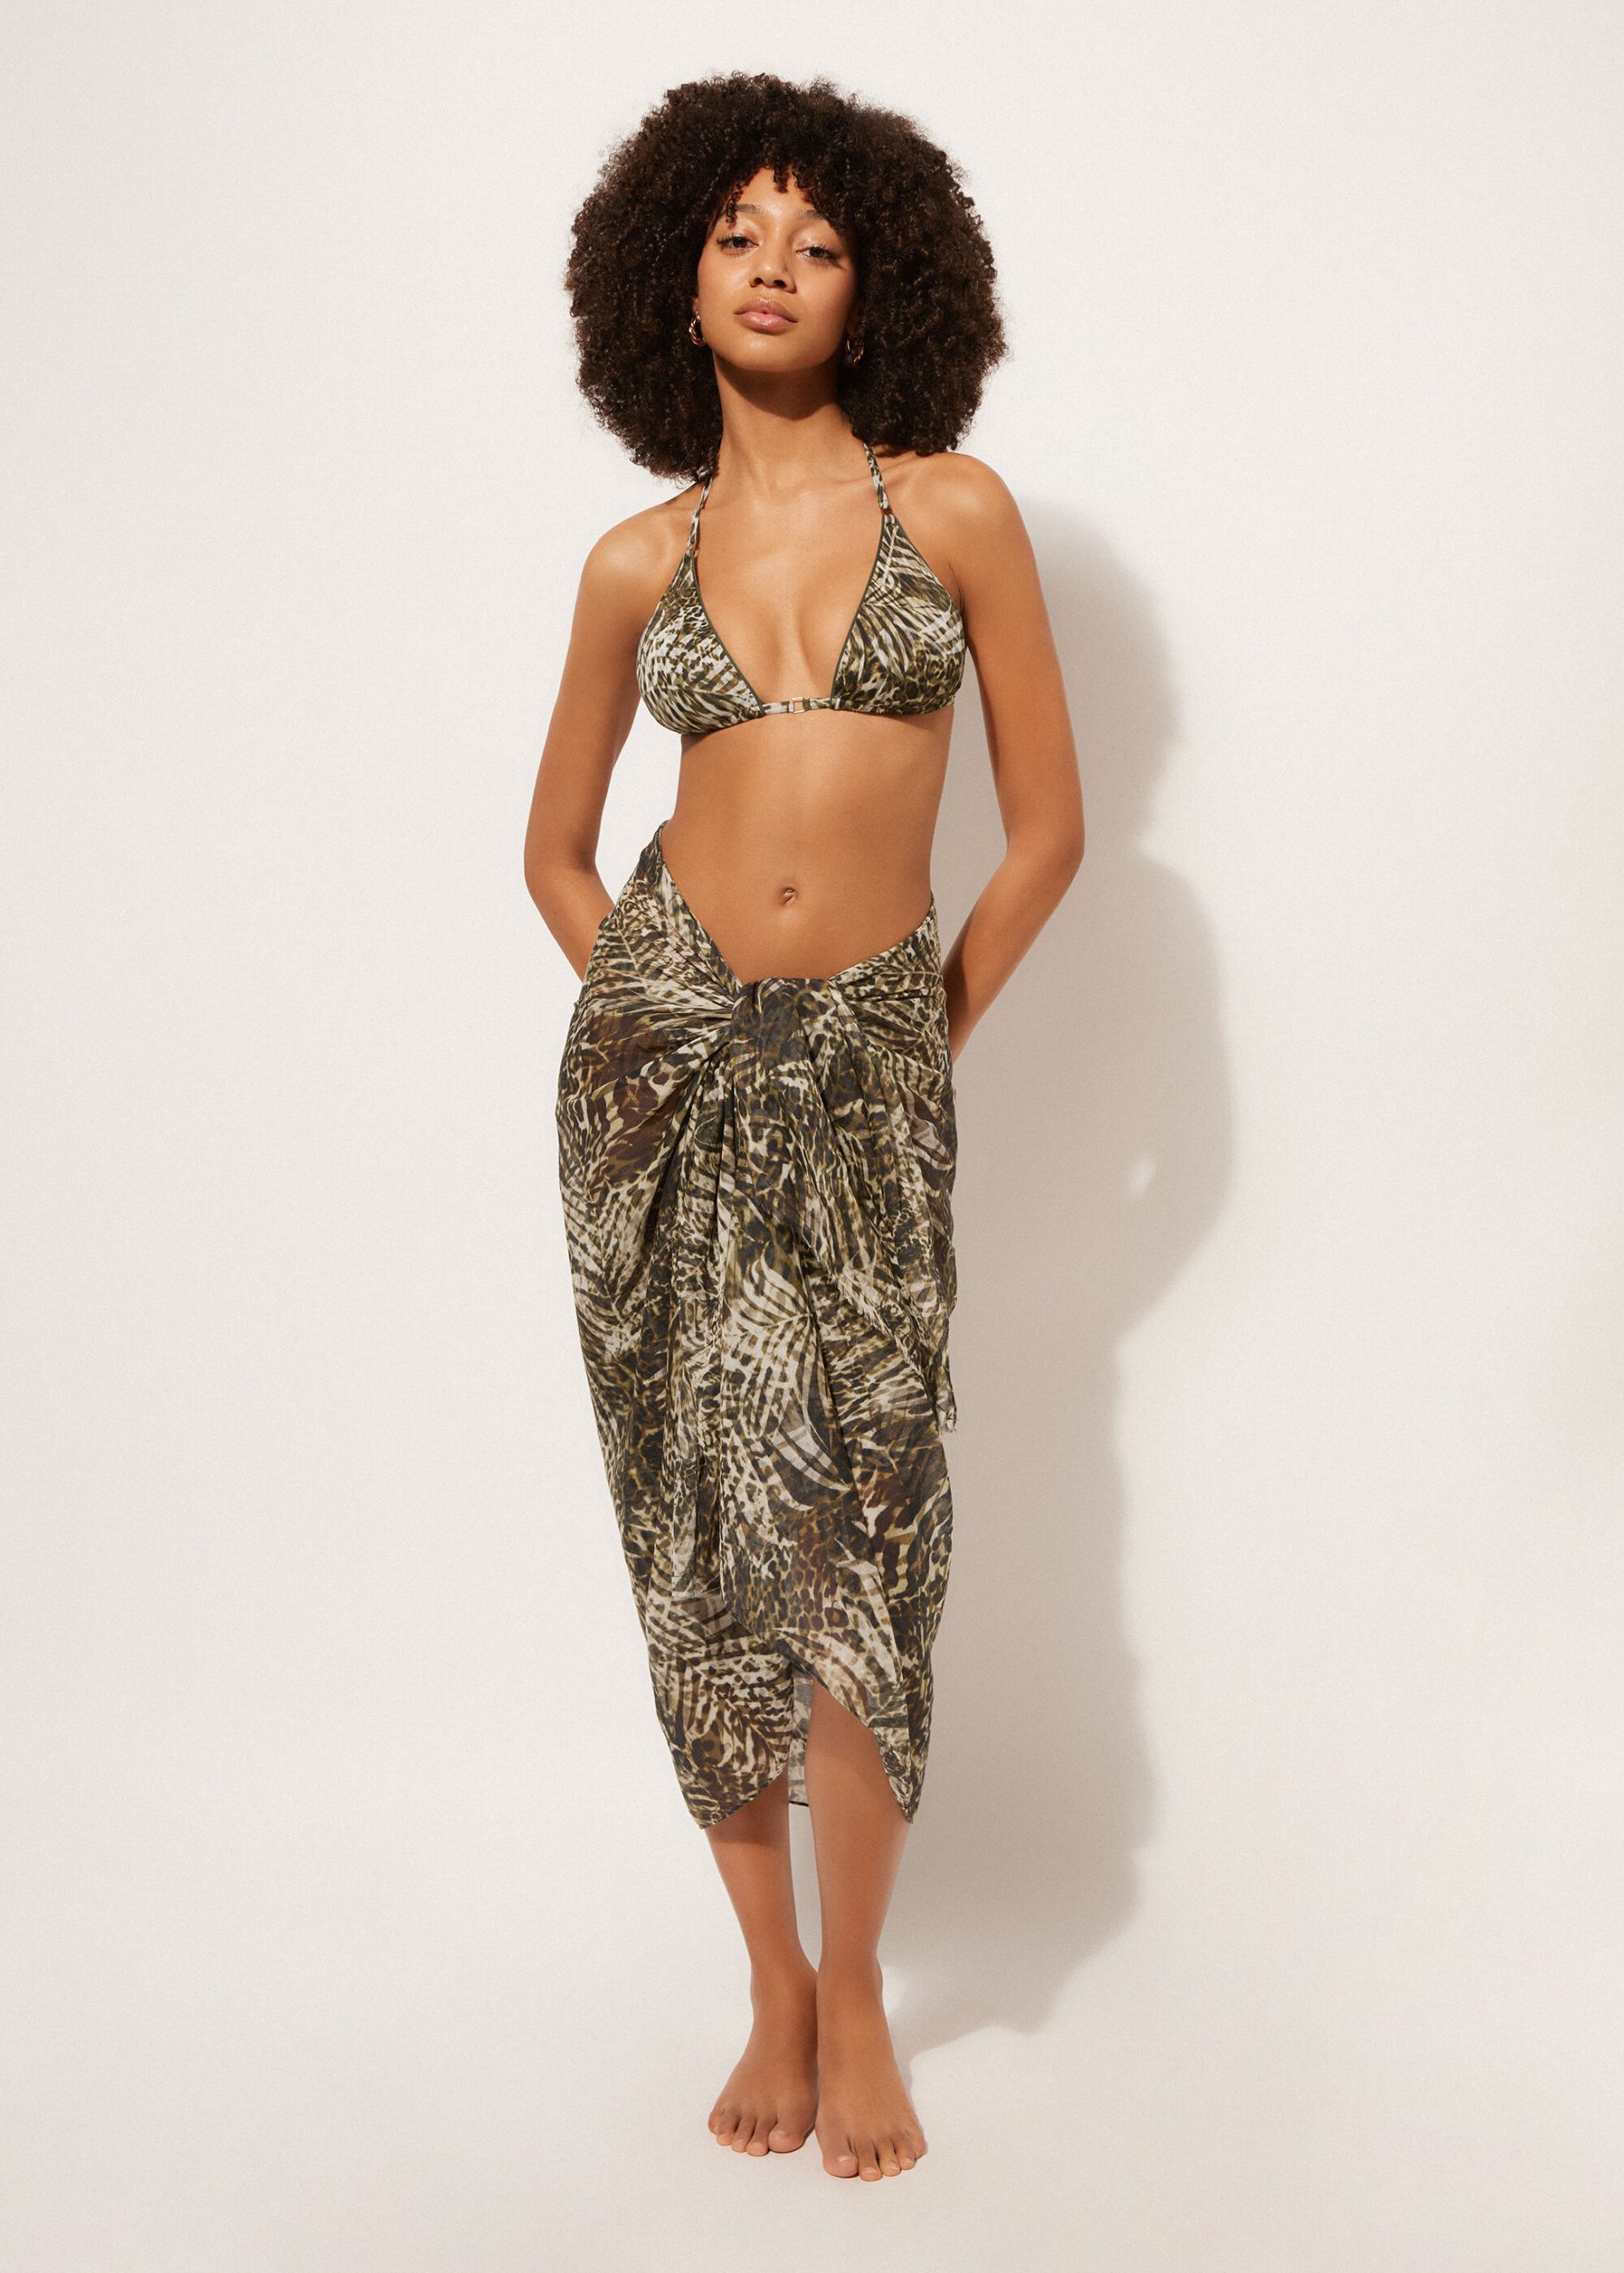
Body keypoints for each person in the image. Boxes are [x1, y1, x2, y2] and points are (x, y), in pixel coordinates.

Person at [524, 70, 1083, 2183]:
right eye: (737, 231)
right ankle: (770, 1974)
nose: (772, 264)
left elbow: (1048, 832)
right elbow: (554, 845)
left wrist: (914, 1035)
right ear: (670, 276)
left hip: (866, 1075)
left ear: (882, 285)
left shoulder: (958, 512)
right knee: (701, 1537)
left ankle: (863, 1988)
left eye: (819, 240)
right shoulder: (628, 562)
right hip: (660, 1085)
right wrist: (654, 1013)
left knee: (869, 1532)